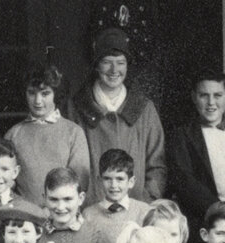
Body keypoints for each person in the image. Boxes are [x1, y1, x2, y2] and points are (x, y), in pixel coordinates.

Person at [69, 29, 167, 202]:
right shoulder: (75, 108)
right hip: (89, 212)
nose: (114, 70)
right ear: (96, 65)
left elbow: (157, 165)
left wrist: (144, 203)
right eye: (107, 62)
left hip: (135, 211)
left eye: (120, 62)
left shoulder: (144, 109)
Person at [168, 71, 225, 235]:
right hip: (198, 223)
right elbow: (184, 180)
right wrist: (218, 210)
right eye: (204, 95)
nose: (211, 102)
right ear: (194, 97)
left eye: (217, 95)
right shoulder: (181, 136)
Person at [8, 65, 93, 205]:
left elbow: (80, 183)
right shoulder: (14, 134)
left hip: (63, 213)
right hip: (24, 218)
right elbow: (8, 183)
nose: (37, 101)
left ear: (56, 94)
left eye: (45, 93)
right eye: (31, 93)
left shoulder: (73, 132)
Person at [82, 150, 149, 243]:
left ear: (131, 181)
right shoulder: (89, 215)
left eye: (120, 179)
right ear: (99, 181)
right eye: (107, 179)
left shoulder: (144, 211)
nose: (113, 185)